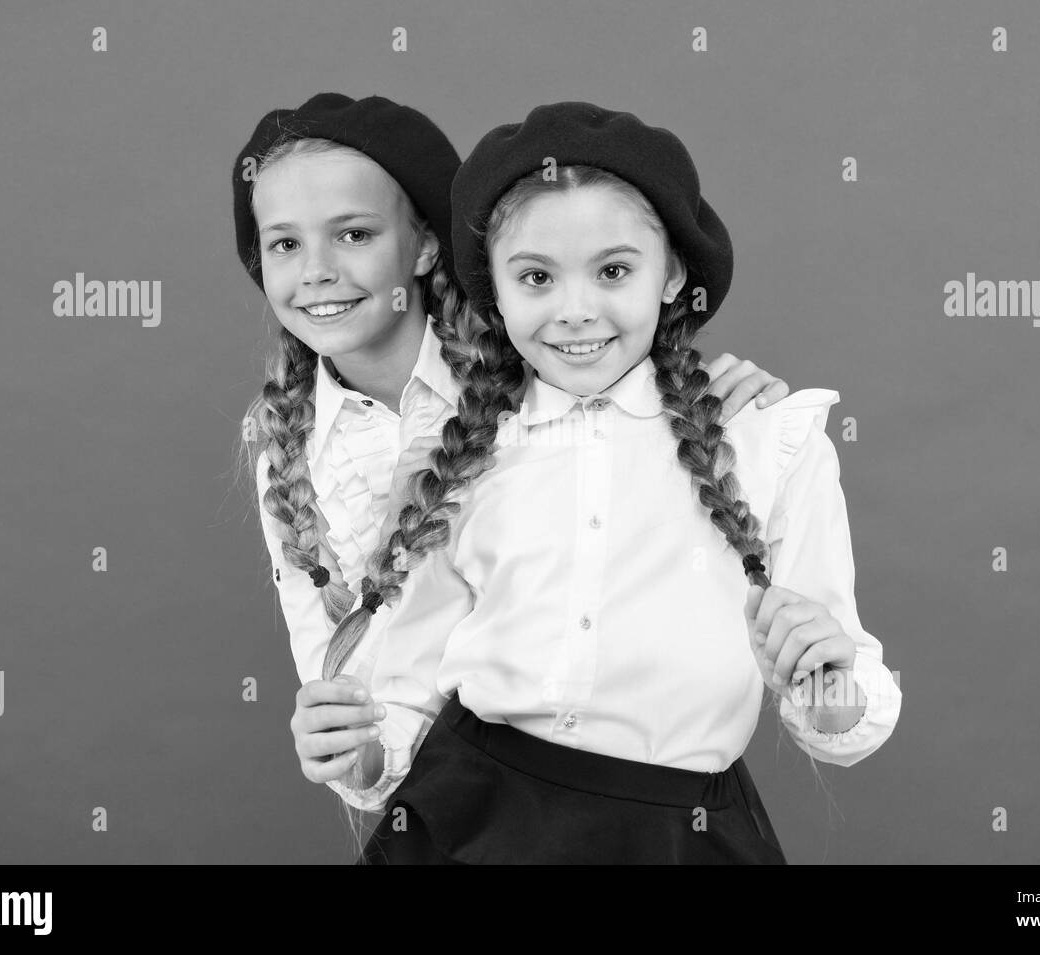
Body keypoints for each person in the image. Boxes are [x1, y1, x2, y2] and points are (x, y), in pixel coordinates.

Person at [324, 102, 903, 864]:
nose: (575, 311)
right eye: (535, 277)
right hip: (467, 821)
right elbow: (405, 697)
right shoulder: (460, 455)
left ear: (672, 278)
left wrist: (827, 678)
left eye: (614, 270)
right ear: (494, 293)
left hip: (676, 836)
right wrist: (358, 750)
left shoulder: (770, 441)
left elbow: (840, 710)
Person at [229, 94, 792, 805]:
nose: (315, 271)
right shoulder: (285, 453)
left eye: (353, 234)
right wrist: (349, 750)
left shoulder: (532, 369)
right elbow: (344, 691)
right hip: (451, 805)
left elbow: (622, 379)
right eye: (285, 243)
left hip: (593, 785)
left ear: (427, 244)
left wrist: (715, 398)